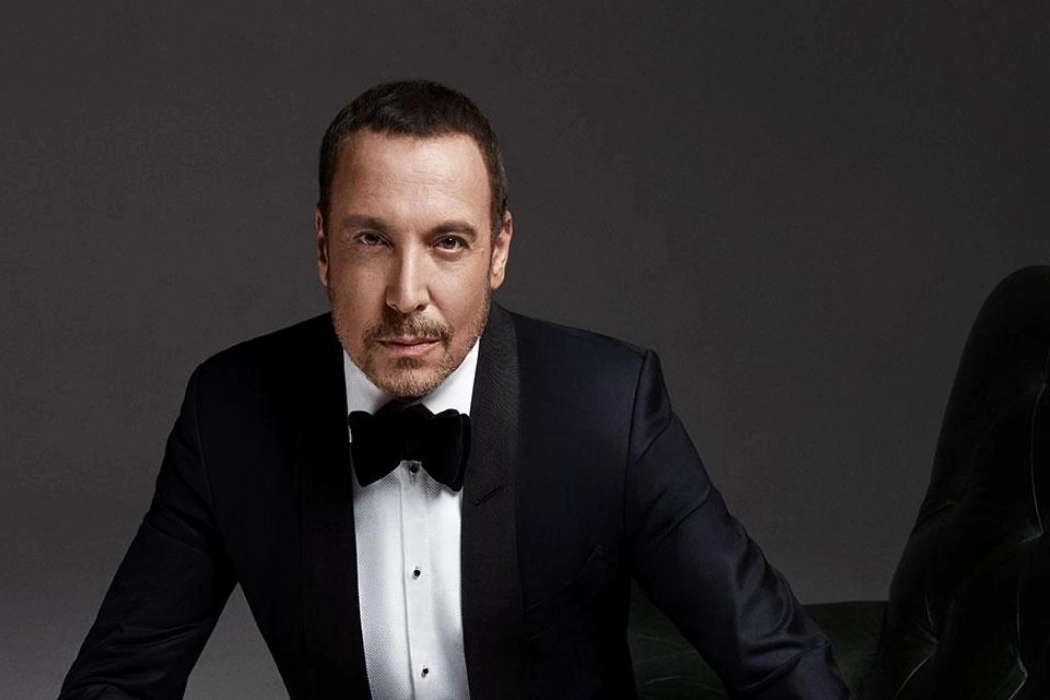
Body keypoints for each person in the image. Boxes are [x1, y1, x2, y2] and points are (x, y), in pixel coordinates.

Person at [58, 80, 852, 700]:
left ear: (498, 251)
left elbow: (778, 664)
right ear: (324, 247)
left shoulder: (607, 406)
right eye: (372, 239)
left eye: (447, 242)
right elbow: (117, 680)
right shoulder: (229, 412)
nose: (407, 295)